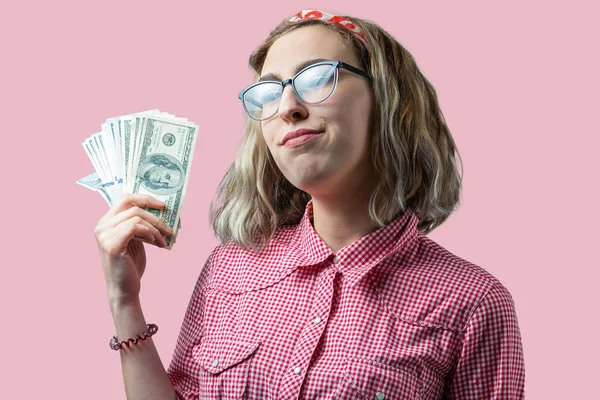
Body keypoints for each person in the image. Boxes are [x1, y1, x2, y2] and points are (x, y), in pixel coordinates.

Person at [94, 9, 525, 400]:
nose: (286, 108)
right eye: (267, 92)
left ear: (389, 99)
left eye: (317, 77)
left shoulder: (474, 304)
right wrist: (125, 302)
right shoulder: (227, 270)